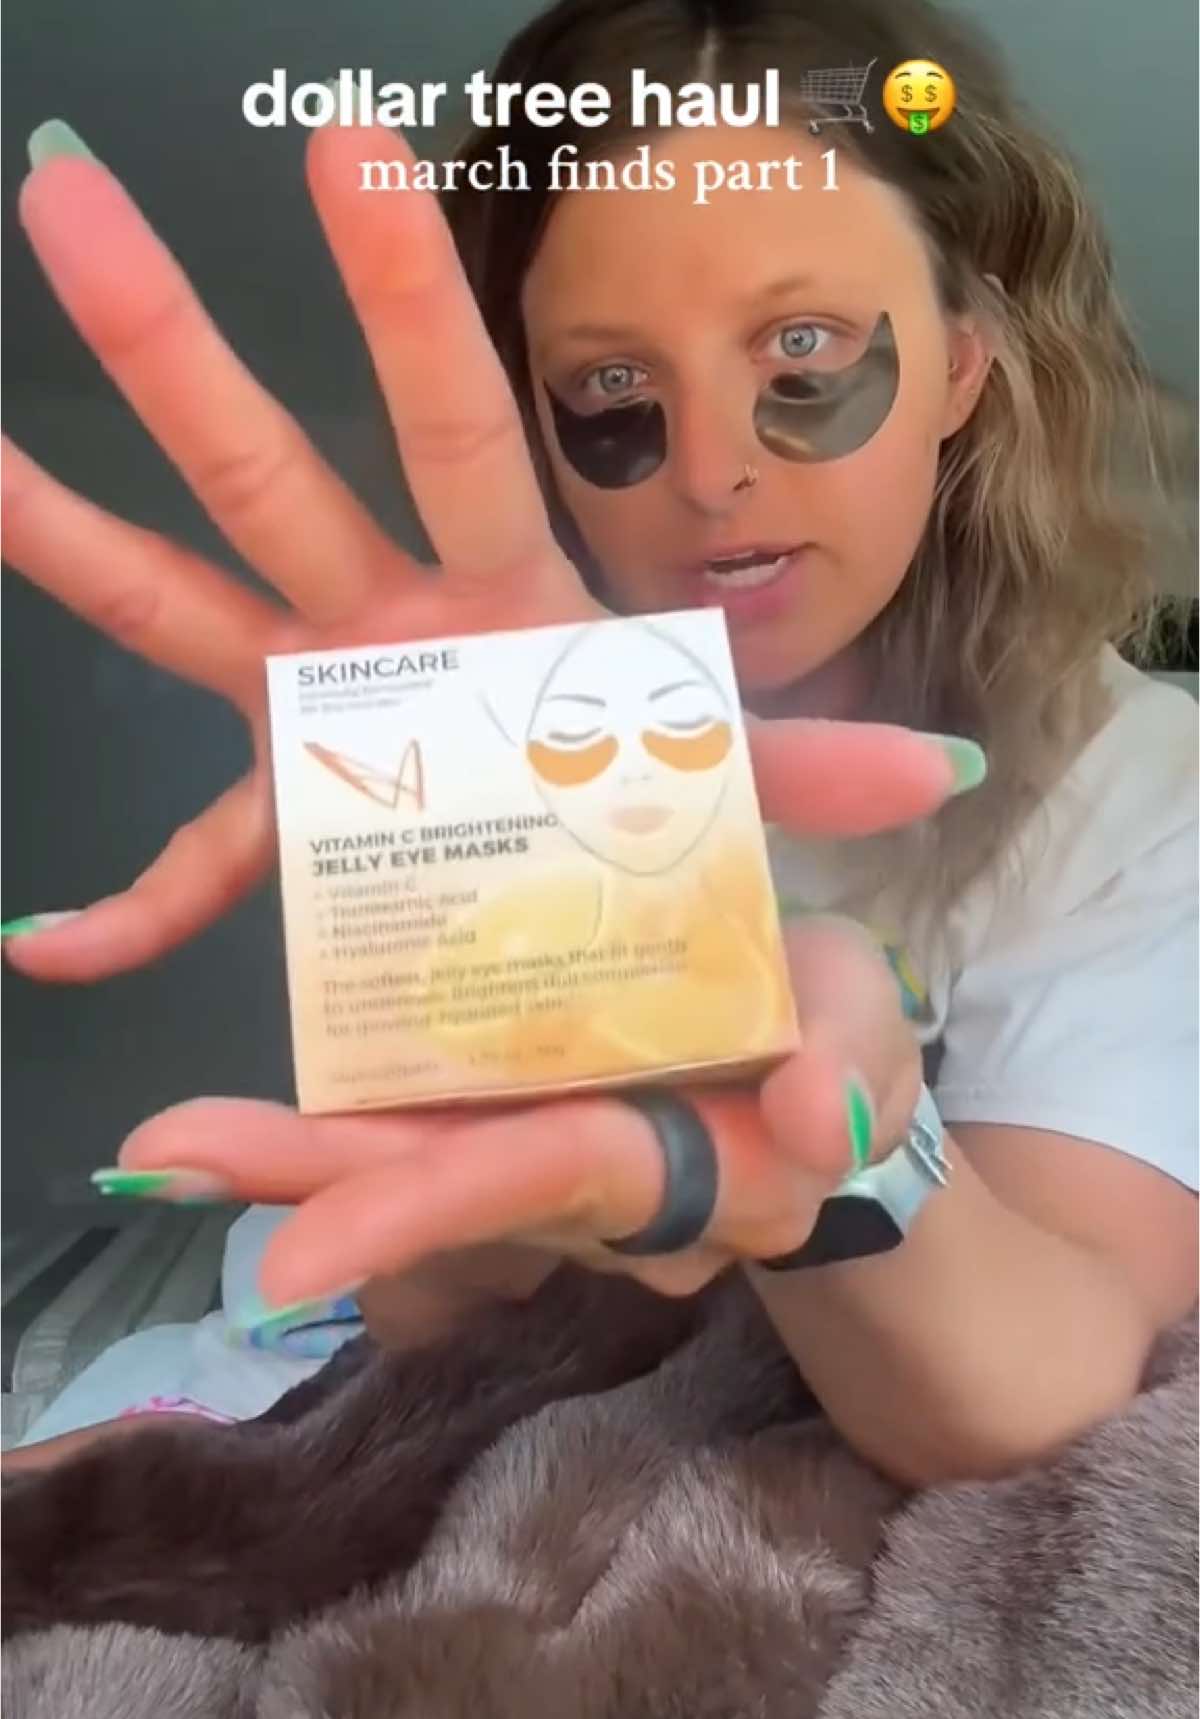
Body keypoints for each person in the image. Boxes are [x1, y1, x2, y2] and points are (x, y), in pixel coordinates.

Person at [2, 0, 1196, 1490]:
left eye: (804, 345)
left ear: (963, 362)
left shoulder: (1139, 787)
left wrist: (823, 1135)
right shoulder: (492, 728)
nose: (711, 471)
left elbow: (1050, 1382)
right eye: (614, 390)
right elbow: (413, 1304)